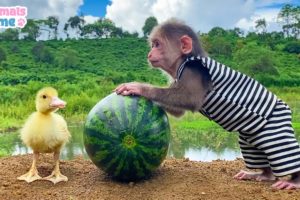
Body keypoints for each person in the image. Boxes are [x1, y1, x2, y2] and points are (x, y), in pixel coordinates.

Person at [115, 18, 300, 190]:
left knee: (273, 140)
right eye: (151, 45)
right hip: (248, 121)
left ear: (184, 45)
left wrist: (146, 90)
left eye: (158, 45)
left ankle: (298, 177)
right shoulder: (183, 77)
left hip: (269, 113)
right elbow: (178, 109)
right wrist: (147, 98)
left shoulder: (195, 66)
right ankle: (266, 173)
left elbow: (189, 100)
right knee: (251, 139)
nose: (150, 53)